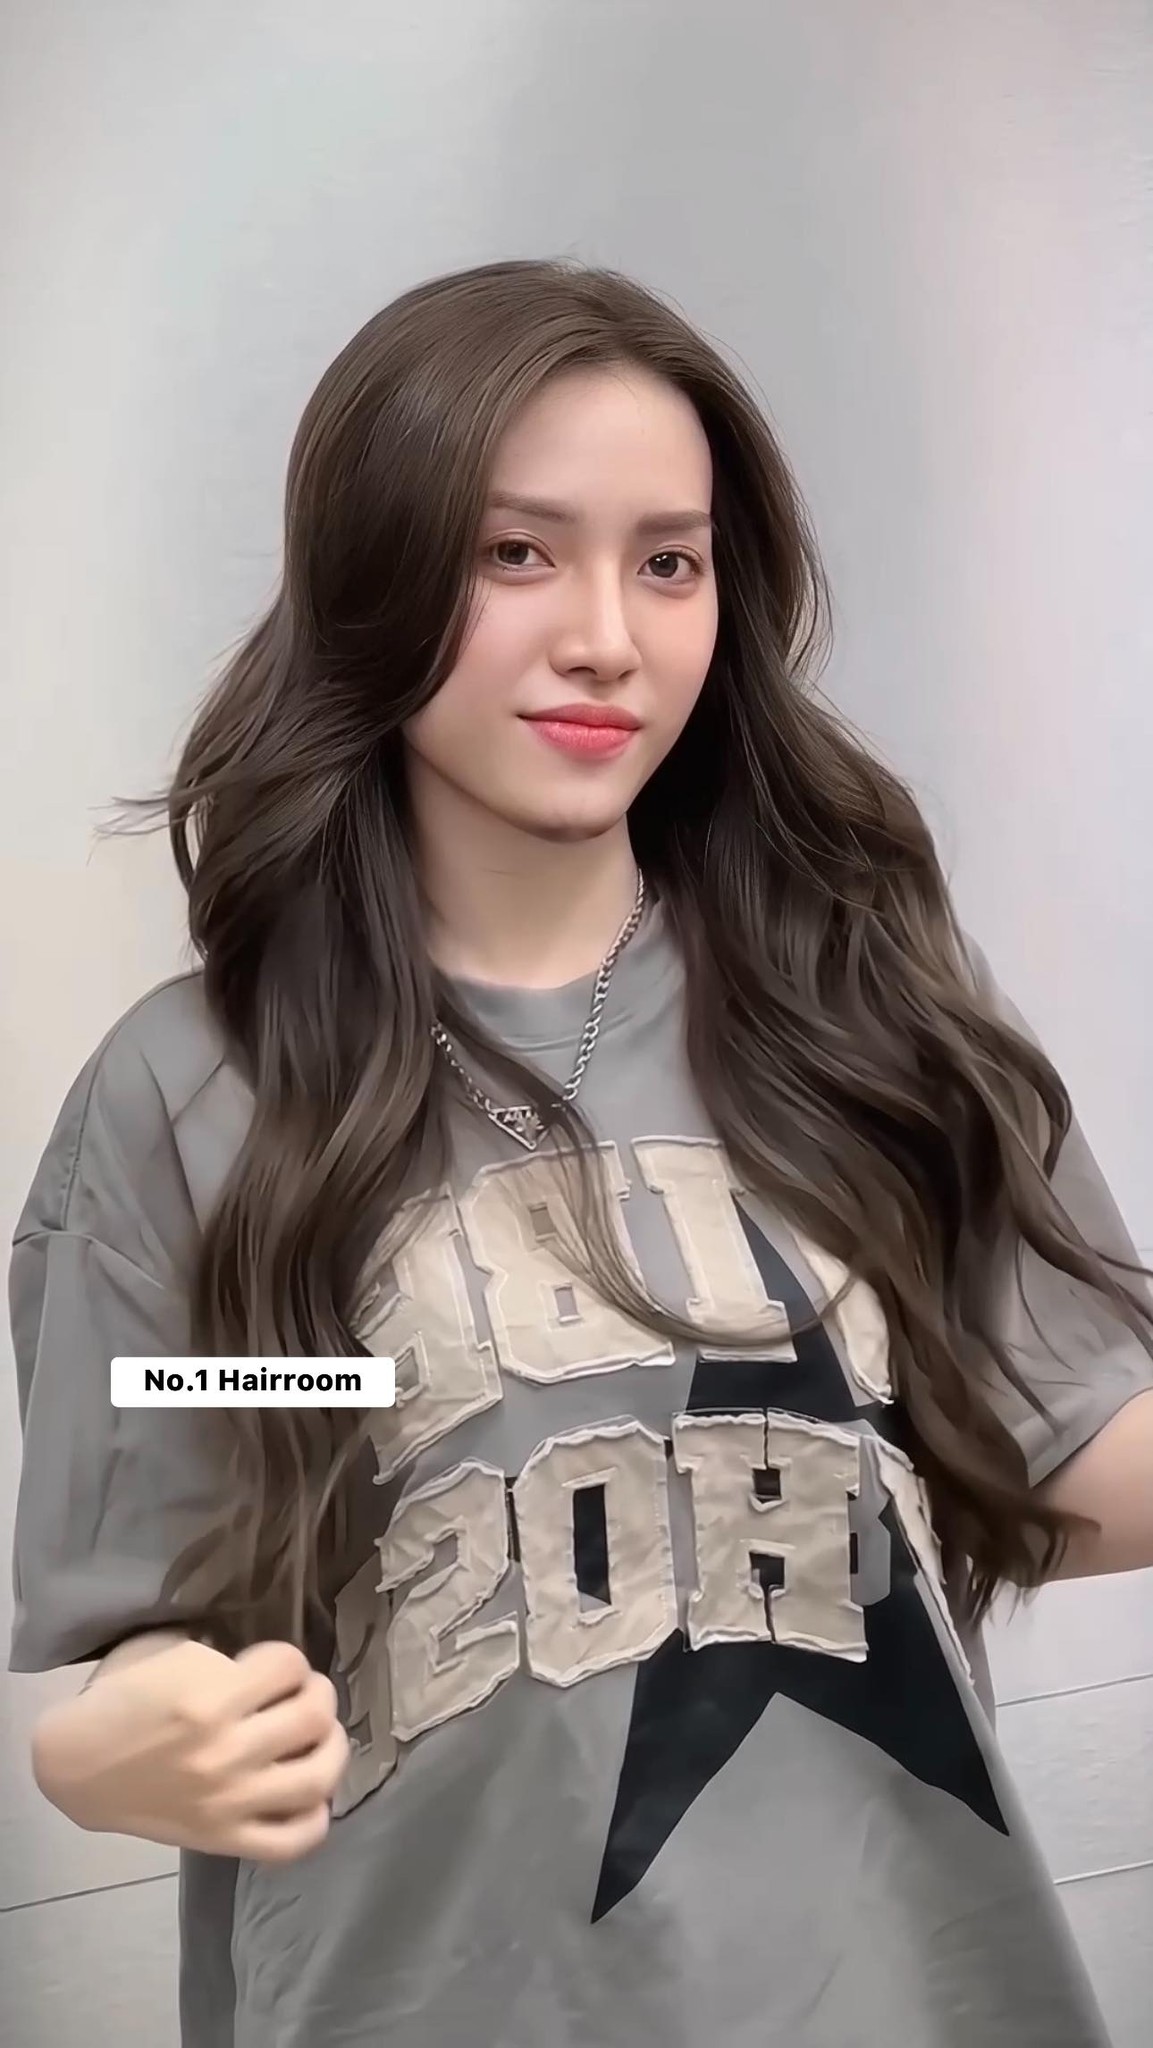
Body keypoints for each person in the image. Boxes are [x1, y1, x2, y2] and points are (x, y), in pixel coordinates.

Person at [9, 258, 1153, 2048]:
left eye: (668, 562)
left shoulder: (858, 1005)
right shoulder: (191, 1089)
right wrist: (108, 1733)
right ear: (377, 573)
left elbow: (1057, 1447)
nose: (608, 636)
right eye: (516, 552)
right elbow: (173, 1451)